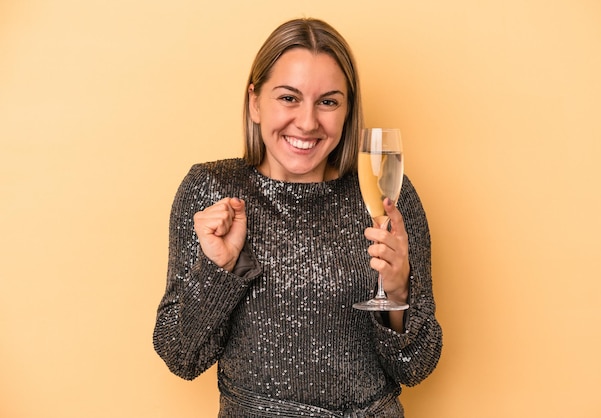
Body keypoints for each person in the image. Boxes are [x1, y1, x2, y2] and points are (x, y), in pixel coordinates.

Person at [153, 17, 442, 417]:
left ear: (347, 110)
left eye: (328, 101)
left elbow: (417, 367)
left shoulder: (386, 193)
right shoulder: (213, 189)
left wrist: (397, 294)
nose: (307, 122)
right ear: (255, 101)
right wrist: (219, 269)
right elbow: (180, 356)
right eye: (289, 98)